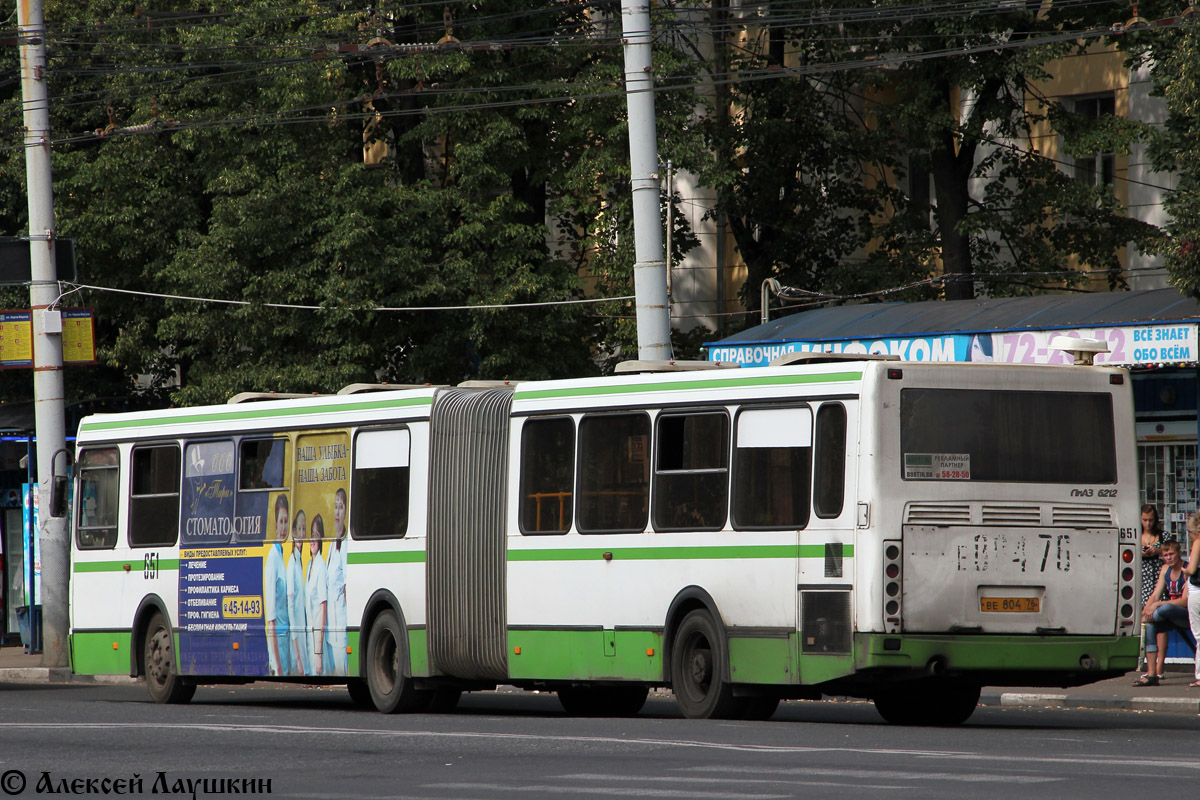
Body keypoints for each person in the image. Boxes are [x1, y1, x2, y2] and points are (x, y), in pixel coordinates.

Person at [1134, 539, 1194, 686]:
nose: (1168, 558)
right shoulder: (1165, 569)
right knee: (1149, 627)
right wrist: (1148, 608)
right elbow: (1155, 594)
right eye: (1165, 555)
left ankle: (1149, 618)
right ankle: (1152, 674)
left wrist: (1157, 604)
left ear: (1179, 553)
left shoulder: (1186, 569)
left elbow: (1184, 601)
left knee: (1164, 608)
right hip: (1168, 616)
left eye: (1171, 554)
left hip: (1185, 615)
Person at [264, 494, 291, 677]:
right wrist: (278, 667)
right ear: (275, 525)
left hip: (286, 642)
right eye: (280, 522)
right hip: (279, 648)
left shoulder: (281, 555)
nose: (283, 527)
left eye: (286, 521)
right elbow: (271, 620)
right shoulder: (272, 559)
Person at [325, 487, 349, 676]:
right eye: (335, 506)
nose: (337, 512)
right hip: (332, 626)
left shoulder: (346, 543)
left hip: (341, 622)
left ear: (346, 511)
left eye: (341, 507)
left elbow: (348, 586)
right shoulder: (333, 544)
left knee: (342, 668)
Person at [288, 509, 309, 676]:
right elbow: (290, 609)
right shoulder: (291, 564)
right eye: (299, 529)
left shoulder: (301, 561)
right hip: (297, 639)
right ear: (293, 532)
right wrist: (299, 658)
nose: (301, 534)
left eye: (304, 529)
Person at [307, 514, 328, 676]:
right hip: (309, 632)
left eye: (316, 536)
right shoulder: (309, 565)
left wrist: (318, 650)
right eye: (310, 536)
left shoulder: (321, 566)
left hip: (317, 637)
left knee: (318, 670)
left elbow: (323, 606)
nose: (312, 541)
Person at [1185, 513, 1200, 688]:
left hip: (1197, 592)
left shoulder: (1198, 542)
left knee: (1198, 635)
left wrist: (1184, 569)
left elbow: (1192, 568)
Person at [1140, 504, 1165, 608]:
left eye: (1151, 520)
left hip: (1158, 576)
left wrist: (1158, 551)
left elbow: (1171, 552)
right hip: (1141, 578)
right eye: (1145, 520)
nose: (1148, 523)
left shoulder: (1163, 535)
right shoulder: (1135, 536)